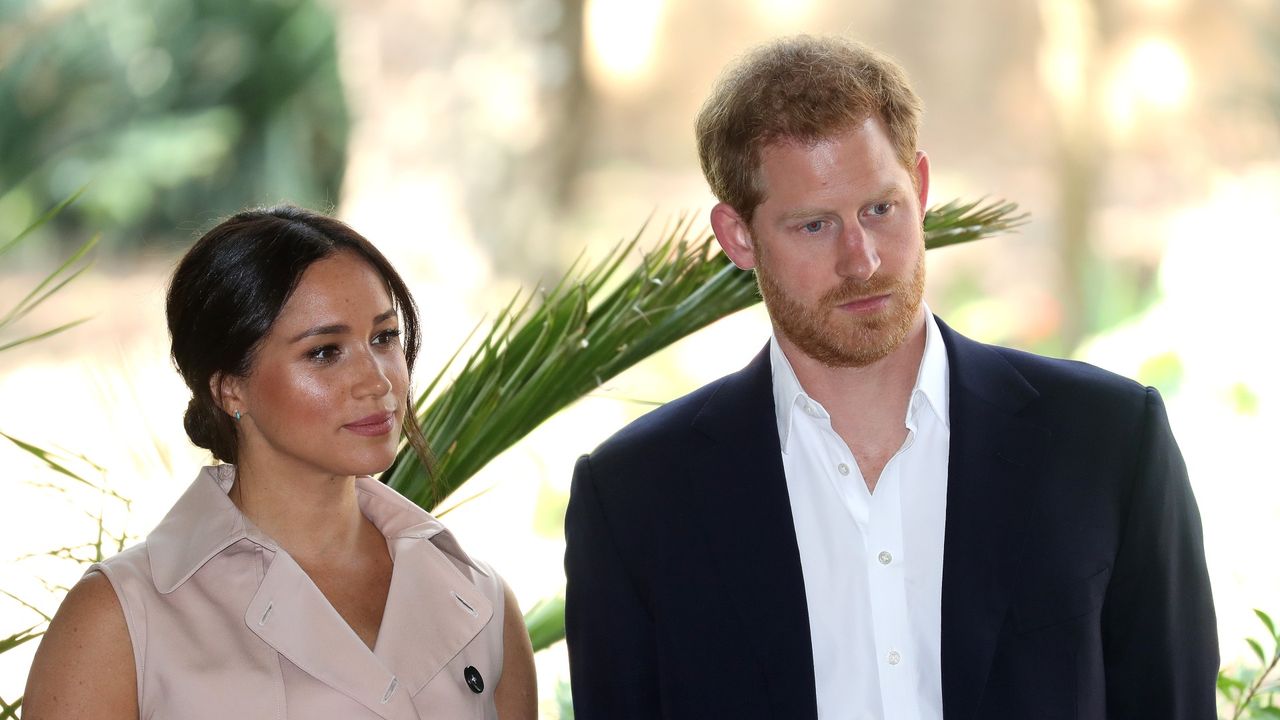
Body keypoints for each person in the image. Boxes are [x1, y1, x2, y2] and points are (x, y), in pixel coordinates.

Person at [563, 35, 1217, 720]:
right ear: (738, 237)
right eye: (815, 226)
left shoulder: (1108, 442)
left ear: (922, 187)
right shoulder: (636, 499)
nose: (863, 260)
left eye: (880, 209)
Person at [24, 206, 537, 719]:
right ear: (229, 387)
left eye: (384, 338)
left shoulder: (478, 596)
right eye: (325, 352)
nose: (378, 382)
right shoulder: (120, 619)